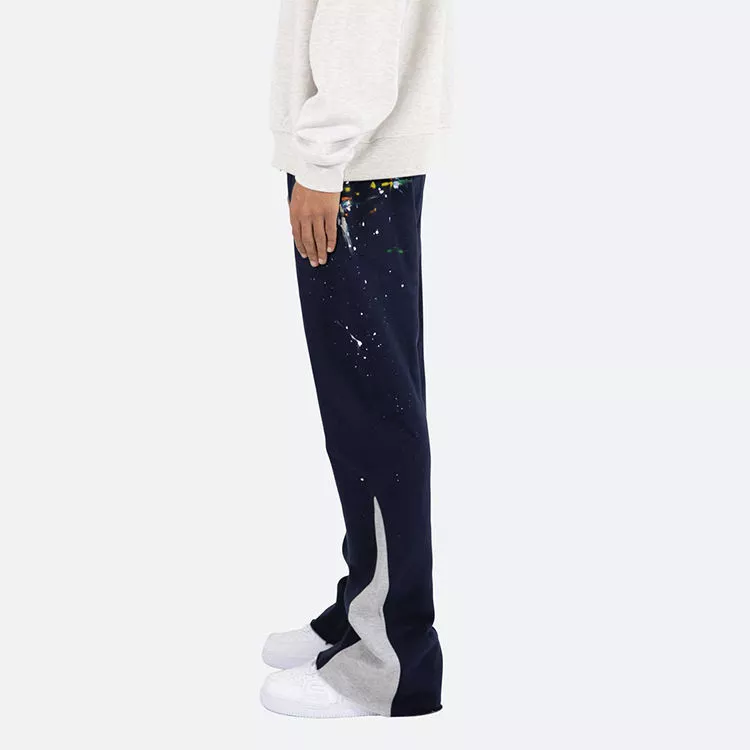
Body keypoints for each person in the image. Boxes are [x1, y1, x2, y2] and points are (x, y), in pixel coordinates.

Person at [260, 0, 452, 719]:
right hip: (357, 164)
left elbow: (362, 31)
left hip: (353, 170)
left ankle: (387, 660)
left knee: (372, 412)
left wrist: (320, 159)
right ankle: (363, 611)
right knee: (365, 407)